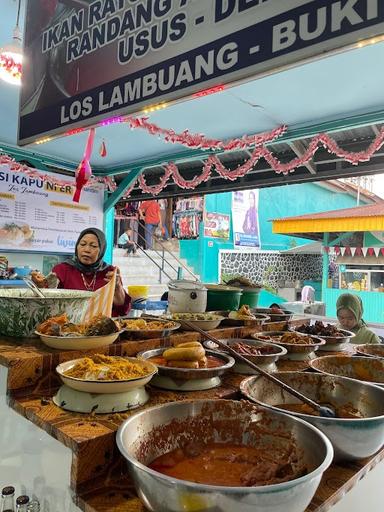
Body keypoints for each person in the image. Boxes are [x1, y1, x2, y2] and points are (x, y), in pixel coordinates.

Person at [52, 228, 131, 317]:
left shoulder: (109, 273)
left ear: (101, 250)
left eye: (93, 246)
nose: (87, 249)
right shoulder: (62, 270)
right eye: (82, 244)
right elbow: (50, 304)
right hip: (69, 328)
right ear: (77, 246)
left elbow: (123, 310)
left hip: (102, 328)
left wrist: (117, 287)